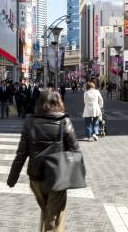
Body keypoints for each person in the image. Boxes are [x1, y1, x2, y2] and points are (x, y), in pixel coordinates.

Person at [7, 91, 80, 232]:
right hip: (58, 178)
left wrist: (12, 178)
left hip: (36, 178)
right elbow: (75, 150)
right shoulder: (64, 121)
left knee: (48, 212)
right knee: (53, 218)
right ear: (59, 103)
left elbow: (21, 154)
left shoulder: (29, 122)